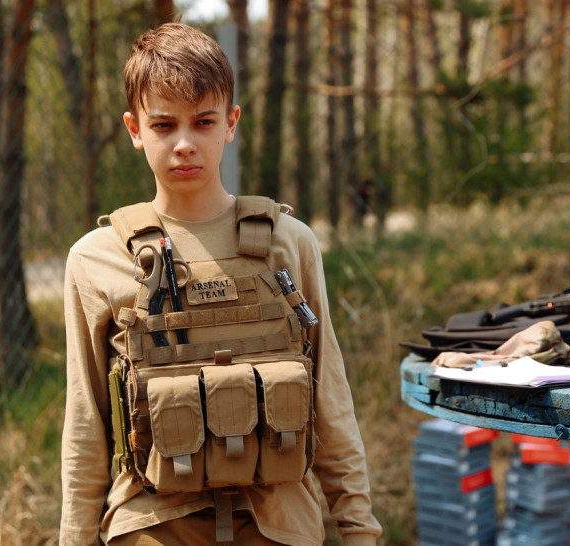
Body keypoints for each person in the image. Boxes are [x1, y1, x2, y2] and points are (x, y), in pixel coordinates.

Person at [59, 22, 382, 546]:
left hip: (278, 523)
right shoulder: (97, 258)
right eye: (164, 125)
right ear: (135, 129)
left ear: (230, 124)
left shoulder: (288, 243)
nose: (185, 144)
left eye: (203, 122)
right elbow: (85, 420)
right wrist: (75, 537)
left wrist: (359, 528)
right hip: (155, 526)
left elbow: (330, 397)